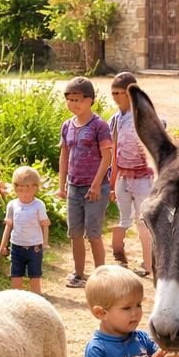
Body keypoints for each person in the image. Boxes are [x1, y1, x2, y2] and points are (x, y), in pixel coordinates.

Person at [57, 77, 114, 289]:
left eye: (78, 100)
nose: (74, 104)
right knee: (74, 233)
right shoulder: (67, 126)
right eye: (70, 100)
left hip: (95, 187)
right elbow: (64, 155)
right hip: (74, 186)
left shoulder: (99, 126)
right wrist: (61, 185)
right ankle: (79, 274)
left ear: (90, 100)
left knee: (93, 232)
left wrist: (97, 184)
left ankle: (101, 277)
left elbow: (107, 156)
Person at [107, 72, 158, 278]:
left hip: (142, 177)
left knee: (144, 221)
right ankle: (120, 256)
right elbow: (114, 151)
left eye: (120, 93)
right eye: (114, 93)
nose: (116, 97)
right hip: (122, 176)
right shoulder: (115, 120)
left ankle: (149, 264)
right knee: (123, 218)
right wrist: (112, 182)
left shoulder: (145, 117)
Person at [0, 166, 50, 296]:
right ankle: (17, 299)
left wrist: (45, 242)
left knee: (35, 275)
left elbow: (45, 224)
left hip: (35, 247)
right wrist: (3, 244)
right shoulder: (12, 205)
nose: (24, 193)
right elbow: (9, 225)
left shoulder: (39, 205)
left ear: (35, 188)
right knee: (16, 275)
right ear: (15, 188)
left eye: (27, 188)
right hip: (16, 246)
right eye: (19, 188)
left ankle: (37, 299)